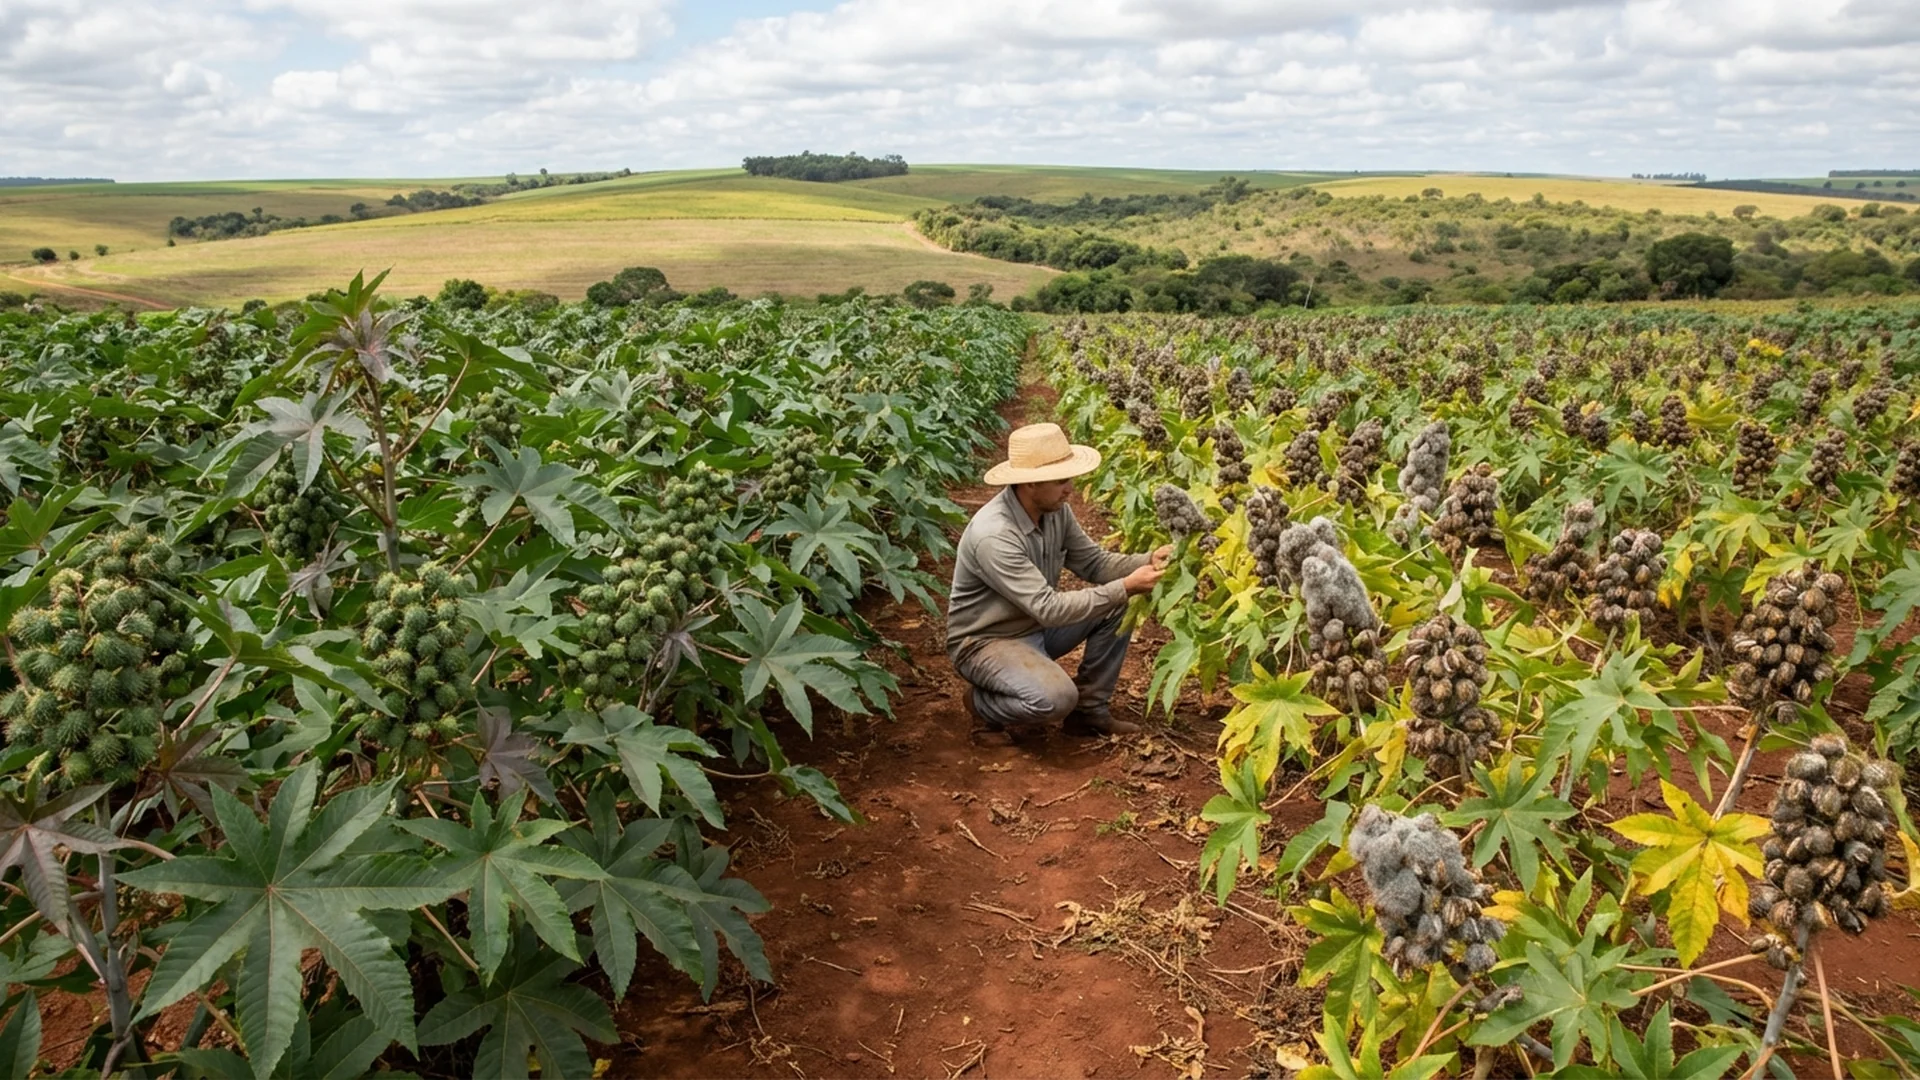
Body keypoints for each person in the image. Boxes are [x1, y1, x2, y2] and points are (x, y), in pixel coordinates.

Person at [946, 422, 1172, 736]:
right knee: (1055, 699)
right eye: (1061, 481)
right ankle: (981, 703)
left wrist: (1148, 560)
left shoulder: (1054, 510)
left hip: (1035, 627)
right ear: (1030, 484)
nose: (1071, 490)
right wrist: (1125, 585)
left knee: (1118, 603)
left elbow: (1094, 563)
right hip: (986, 642)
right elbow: (1049, 609)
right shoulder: (994, 535)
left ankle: (1088, 712)